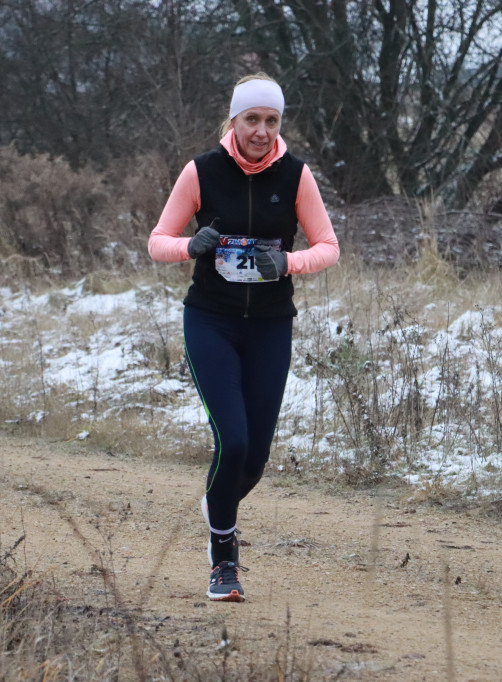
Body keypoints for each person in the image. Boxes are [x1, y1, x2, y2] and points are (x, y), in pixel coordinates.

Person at [148, 73, 339, 602]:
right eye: (251, 119)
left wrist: (287, 263)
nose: (261, 131)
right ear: (234, 120)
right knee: (231, 441)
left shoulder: (297, 176)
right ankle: (223, 560)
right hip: (211, 320)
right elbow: (157, 242)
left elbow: (328, 246)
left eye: (271, 120)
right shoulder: (201, 172)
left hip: (271, 327)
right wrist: (192, 246)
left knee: (253, 458)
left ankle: (219, 499)